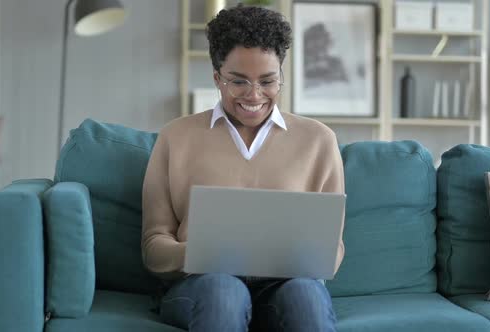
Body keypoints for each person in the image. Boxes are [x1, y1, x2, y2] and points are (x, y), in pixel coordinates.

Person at [141, 4, 345, 331]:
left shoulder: (319, 141)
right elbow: (154, 248)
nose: (254, 95)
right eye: (238, 81)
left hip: (285, 286)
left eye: (268, 81)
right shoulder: (174, 137)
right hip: (203, 285)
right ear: (217, 78)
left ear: (282, 77)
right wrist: (204, 252)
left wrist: (300, 260)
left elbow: (331, 249)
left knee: (306, 296)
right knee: (225, 292)